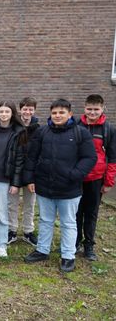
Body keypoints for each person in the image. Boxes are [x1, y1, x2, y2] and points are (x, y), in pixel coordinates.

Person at [24, 99, 96, 272]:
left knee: (68, 222)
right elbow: (32, 156)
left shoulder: (81, 133)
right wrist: (30, 179)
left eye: (61, 112)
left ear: (70, 114)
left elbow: (89, 158)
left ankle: (68, 255)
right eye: (55, 113)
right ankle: (42, 249)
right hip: (44, 185)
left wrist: (75, 175)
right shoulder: (42, 132)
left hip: (69, 188)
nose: (57, 116)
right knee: (45, 220)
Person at [76, 94, 116, 261]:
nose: (92, 112)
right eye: (89, 109)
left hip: (96, 178)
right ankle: (75, 242)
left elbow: (113, 157)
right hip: (77, 178)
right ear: (84, 108)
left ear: (102, 109)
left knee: (91, 213)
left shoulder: (108, 129)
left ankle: (89, 246)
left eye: (96, 109)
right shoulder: (76, 126)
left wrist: (109, 182)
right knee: (76, 213)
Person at [0, 101, 26, 258]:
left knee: (2, 213)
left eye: (7, 112)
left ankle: (1, 244)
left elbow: (19, 159)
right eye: (1, 111)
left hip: (4, 179)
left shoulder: (18, 132)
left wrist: (16, 182)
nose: (3, 114)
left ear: (12, 114)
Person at [7, 97, 40, 246]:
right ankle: (11, 230)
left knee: (30, 204)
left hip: (31, 172)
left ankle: (28, 231)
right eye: (25, 109)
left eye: (30, 109)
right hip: (14, 170)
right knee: (12, 203)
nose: (27, 112)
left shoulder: (38, 128)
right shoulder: (13, 126)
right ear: (20, 110)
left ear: (34, 110)